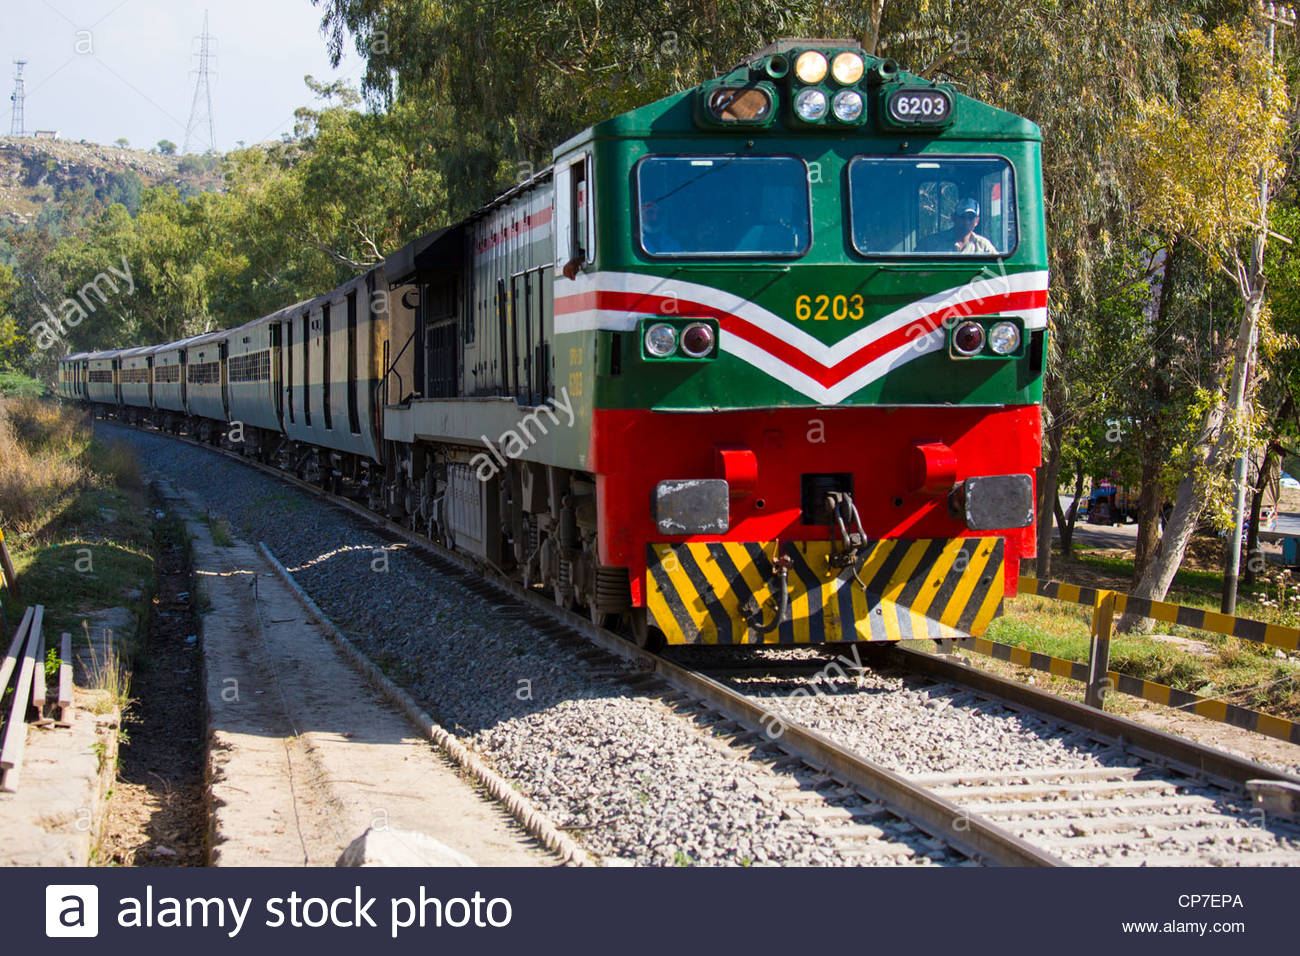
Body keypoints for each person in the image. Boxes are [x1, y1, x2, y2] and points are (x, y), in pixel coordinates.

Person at [920, 197, 998, 254]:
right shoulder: (932, 243)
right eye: (962, 217)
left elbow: (999, 269)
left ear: (976, 221)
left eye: (970, 218)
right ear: (953, 218)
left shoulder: (983, 246)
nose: (966, 222)